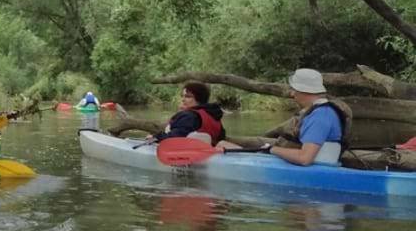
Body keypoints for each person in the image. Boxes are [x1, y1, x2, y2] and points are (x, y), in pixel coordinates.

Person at [217, 68, 350, 166]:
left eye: (294, 89)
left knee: (222, 145)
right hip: (312, 166)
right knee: (223, 144)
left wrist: (272, 149)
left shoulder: (321, 116)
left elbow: (305, 158)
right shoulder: (320, 112)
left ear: (304, 90)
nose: (292, 94)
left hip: (314, 169)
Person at [148, 82, 225, 144]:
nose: (183, 99)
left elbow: (175, 137)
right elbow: (220, 137)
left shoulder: (189, 116)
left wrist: (155, 137)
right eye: (183, 96)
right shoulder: (214, 115)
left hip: (186, 157)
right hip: (208, 155)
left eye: (188, 96)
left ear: (199, 99)